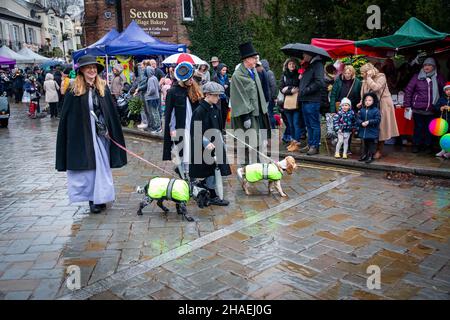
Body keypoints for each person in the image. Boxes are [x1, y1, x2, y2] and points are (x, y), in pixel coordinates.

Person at [55, 55, 127, 214]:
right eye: (88, 68)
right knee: (89, 169)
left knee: (101, 167)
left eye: (94, 68)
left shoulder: (102, 88)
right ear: (82, 70)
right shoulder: (74, 90)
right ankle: (92, 199)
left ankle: (101, 197)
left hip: (101, 136)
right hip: (83, 136)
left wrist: (108, 127)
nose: (92, 70)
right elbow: (67, 116)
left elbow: (109, 111)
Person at [190, 81, 231, 206]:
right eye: (216, 95)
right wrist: (205, 142)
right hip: (204, 147)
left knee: (214, 169)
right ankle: (212, 195)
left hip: (216, 144)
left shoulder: (216, 108)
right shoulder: (199, 111)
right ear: (207, 95)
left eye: (219, 95)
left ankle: (204, 186)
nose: (218, 98)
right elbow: (195, 131)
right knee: (210, 170)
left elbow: (218, 127)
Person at [230, 41, 270, 165]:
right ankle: (247, 165)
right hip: (247, 113)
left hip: (257, 111)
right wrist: (245, 116)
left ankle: (256, 161)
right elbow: (238, 97)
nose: (256, 60)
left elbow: (258, 91)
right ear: (247, 59)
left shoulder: (253, 72)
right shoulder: (238, 75)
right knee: (249, 139)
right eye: (254, 58)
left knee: (257, 138)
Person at [163, 62, 203, 179]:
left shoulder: (193, 89)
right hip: (181, 126)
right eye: (189, 79)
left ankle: (191, 173)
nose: (192, 81)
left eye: (192, 78)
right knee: (184, 150)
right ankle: (186, 173)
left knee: (193, 149)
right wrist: (172, 128)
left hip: (193, 124)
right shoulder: (172, 92)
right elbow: (169, 113)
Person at [403, 57, 445, 154]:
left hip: (432, 109)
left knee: (430, 129)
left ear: (434, 67)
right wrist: (407, 105)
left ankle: (428, 146)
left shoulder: (439, 77)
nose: (427, 67)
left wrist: (441, 104)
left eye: (429, 65)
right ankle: (416, 145)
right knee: (418, 128)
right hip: (418, 108)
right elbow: (408, 91)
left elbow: (444, 91)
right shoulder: (416, 77)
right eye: (425, 65)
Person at [359, 62, 399, 159]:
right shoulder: (365, 80)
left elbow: (376, 87)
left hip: (383, 104)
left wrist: (368, 78)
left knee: (382, 127)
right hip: (371, 105)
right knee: (369, 126)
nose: (362, 75)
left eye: (363, 73)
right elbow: (364, 93)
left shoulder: (381, 76)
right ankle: (369, 150)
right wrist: (361, 101)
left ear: (369, 72)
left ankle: (379, 150)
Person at [298, 52, 326, 155]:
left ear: (311, 55)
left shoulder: (318, 64)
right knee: (308, 124)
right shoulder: (310, 65)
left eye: (305, 55)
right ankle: (310, 144)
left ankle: (315, 146)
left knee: (314, 124)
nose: (303, 56)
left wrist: (306, 90)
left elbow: (319, 82)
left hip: (312, 99)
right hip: (306, 99)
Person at [280, 58, 304, 152]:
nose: (292, 66)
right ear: (287, 65)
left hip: (297, 103)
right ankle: (292, 142)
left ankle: (296, 142)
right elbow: (281, 88)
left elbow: (299, 87)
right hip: (287, 103)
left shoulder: (299, 75)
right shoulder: (284, 75)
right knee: (290, 124)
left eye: (293, 64)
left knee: (296, 123)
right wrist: (291, 90)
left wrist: (287, 88)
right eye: (290, 64)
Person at [357, 92, 381, 164]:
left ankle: (370, 156)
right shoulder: (362, 110)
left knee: (371, 144)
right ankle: (364, 155)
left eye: (370, 100)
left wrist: (369, 122)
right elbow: (358, 118)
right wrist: (361, 122)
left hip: (371, 130)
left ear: (373, 101)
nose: (367, 102)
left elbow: (377, 120)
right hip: (364, 130)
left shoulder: (376, 110)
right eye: (366, 100)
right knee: (365, 144)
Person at [434, 82, 450, 159]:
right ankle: (443, 150)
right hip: (443, 121)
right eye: (447, 90)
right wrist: (440, 108)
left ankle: (449, 152)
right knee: (443, 136)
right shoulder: (442, 99)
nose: (448, 91)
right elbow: (436, 107)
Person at [143, 66, 162, 134]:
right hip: (156, 98)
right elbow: (158, 87)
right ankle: (157, 127)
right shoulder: (155, 78)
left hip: (152, 98)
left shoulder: (150, 79)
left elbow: (152, 89)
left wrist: (147, 94)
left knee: (154, 113)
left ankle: (158, 128)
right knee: (156, 113)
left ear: (148, 72)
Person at [212, 63, 230, 131]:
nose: (224, 72)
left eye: (225, 70)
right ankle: (218, 128)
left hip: (225, 99)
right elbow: (214, 88)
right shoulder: (215, 77)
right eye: (223, 70)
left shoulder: (226, 77)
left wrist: (227, 86)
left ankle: (223, 128)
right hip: (218, 99)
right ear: (219, 70)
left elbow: (228, 86)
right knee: (218, 114)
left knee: (224, 114)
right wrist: (222, 87)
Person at [261, 59, 277, 130]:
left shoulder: (269, 73)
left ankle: (272, 128)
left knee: (270, 114)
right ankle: (269, 128)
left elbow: (273, 86)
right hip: (266, 97)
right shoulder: (263, 73)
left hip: (269, 98)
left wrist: (273, 96)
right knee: (269, 114)